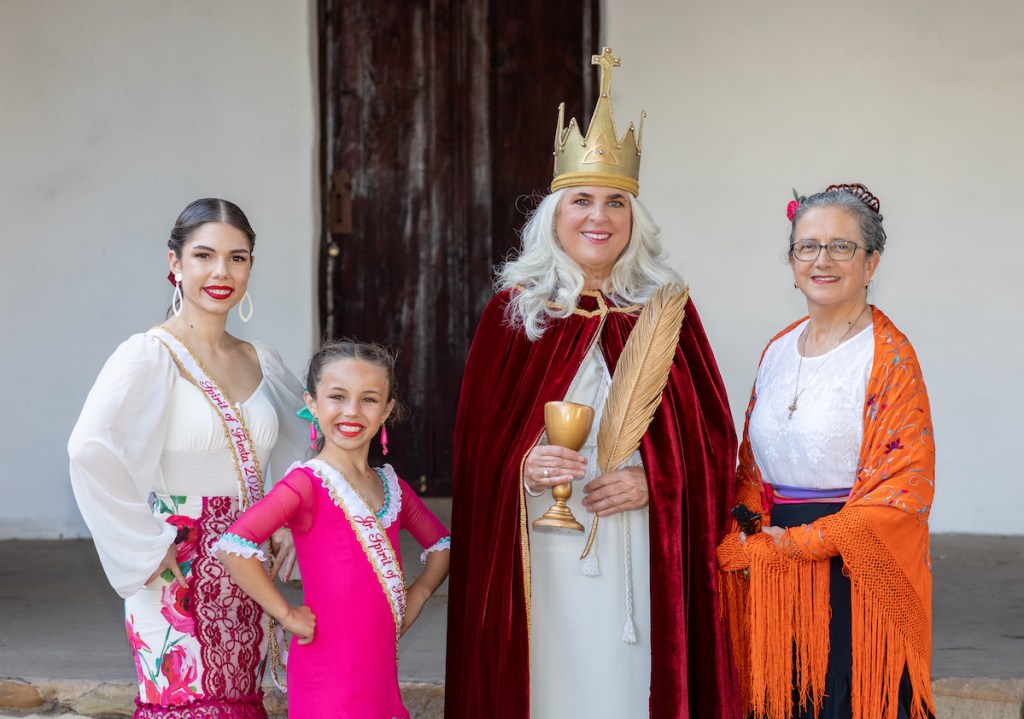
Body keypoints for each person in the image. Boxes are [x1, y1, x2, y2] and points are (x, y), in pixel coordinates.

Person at [445, 48, 739, 719]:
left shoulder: (666, 311)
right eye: (581, 200)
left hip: (639, 540)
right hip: (542, 551)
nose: (597, 217)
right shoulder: (514, 313)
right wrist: (523, 466)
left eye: (615, 202)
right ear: (555, 214)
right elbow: (476, 452)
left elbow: (714, 442)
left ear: (635, 220)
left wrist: (657, 481)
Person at [68, 198, 308, 718]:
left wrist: (289, 520)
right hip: (177, 565)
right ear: (175, 263)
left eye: (237, 258)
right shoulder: (148, 354)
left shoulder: (261, 359)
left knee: (239, 701)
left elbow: (305, 440)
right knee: (186, 703)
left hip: (248, 564)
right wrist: (145, 545)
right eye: (204, 255)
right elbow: (89, 450)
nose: (221, 272)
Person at [716, 184, 935, 719]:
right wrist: (751, 534)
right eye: (808, 246)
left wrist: (800, 543)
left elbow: (902, 490)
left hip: (854, 569)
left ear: (871, 262)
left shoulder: (889, 356)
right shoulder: (777, 349)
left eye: (842, 246)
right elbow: (751, 466)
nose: (822, 260)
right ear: (792, 260)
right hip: (777, 567)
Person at [216, 340, 451, 719]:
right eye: (337, 397)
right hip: (325, 673)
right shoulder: (305, 483)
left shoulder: (392, 486)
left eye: (369, 399)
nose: (352, 411)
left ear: (387, 410)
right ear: (312, 404)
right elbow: (233, 545)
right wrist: (285, 614)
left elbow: (442, 545)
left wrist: (418, 595)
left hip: (378, 668)